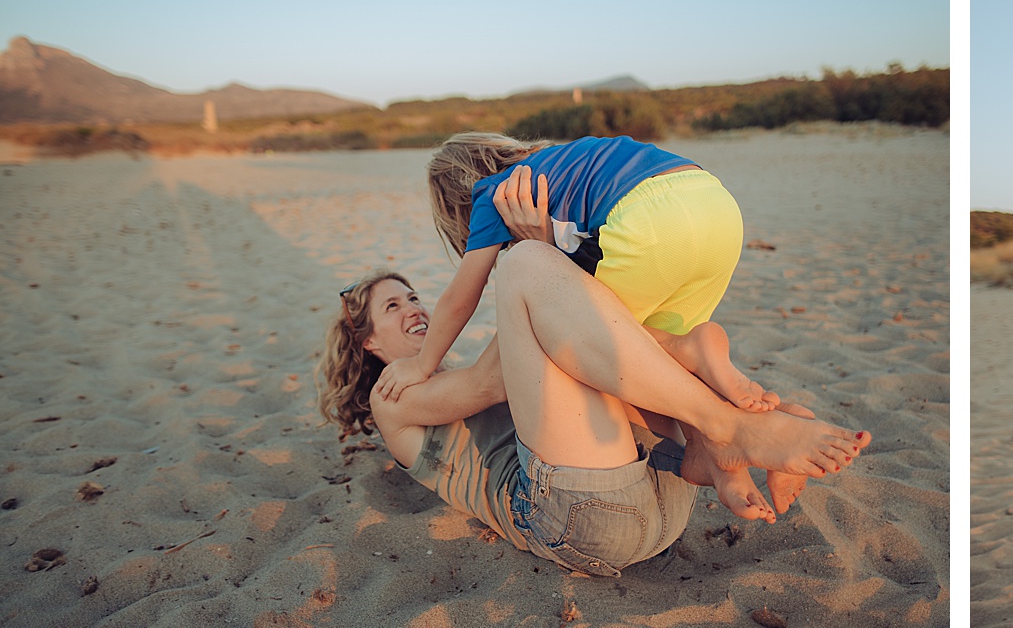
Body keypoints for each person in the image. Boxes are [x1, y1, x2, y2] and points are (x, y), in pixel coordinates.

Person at [316, 242, 866, 575]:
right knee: (530, 269)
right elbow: (488, 383)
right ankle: (712, 398)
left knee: (589, 343)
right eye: (393, 305)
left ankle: (705, 451)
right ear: (368, 342)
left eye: (413, 296)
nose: (413, 307)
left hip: (644, 500)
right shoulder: (392, 395)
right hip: (571, 519)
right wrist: (522, 258)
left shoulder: (442, 375)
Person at [377, 132, 769, 415]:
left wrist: (422, 364)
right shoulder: (561, 163)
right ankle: (715, 449)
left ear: (457, 199)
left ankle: (698, 371)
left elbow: (460, 298)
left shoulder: (493, 192)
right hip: (715, 204)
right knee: (662, 351)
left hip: (647, 222)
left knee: (603, 347)